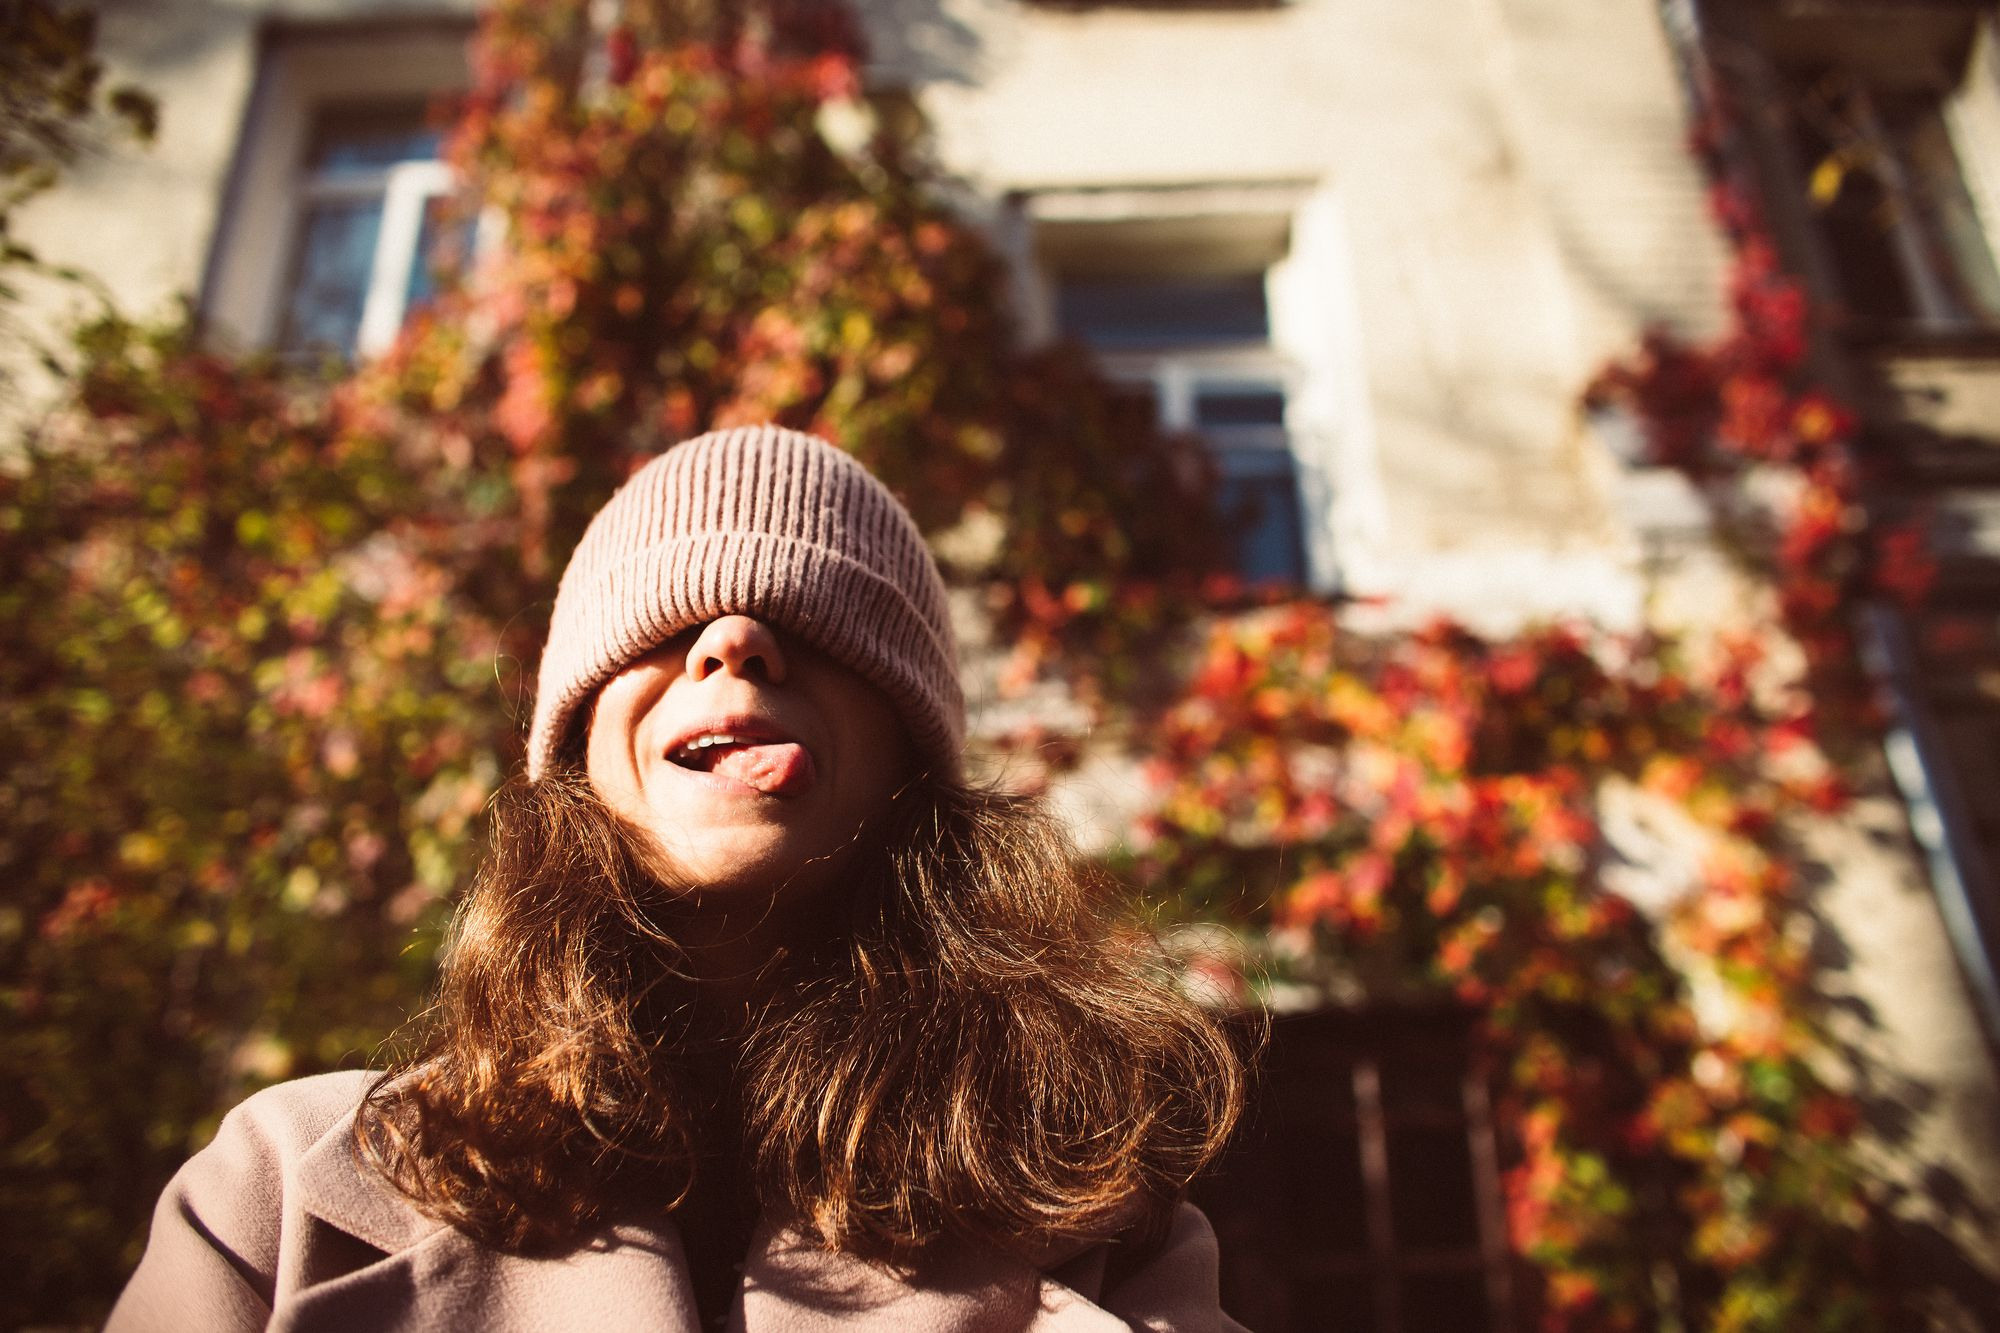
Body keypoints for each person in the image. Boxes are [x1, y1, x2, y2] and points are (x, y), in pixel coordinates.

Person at [108, 425, 1247, 1332]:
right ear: (575, 748)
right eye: (663, 619)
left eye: (819, 617)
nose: (735, 636)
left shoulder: (1106, 1225)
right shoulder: (286, 1188)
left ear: (915, 756)